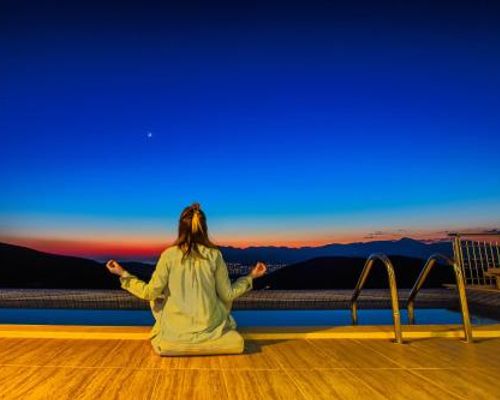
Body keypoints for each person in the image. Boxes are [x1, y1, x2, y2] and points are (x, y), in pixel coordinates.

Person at [105, 202, 267, 356]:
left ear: (181, 228)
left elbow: (149, 293)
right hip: (209, 326)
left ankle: (178, 335)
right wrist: (251, 276)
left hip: (176, 330)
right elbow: (228, 295)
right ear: (204, 228)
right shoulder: (214, 255)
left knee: (157, 298)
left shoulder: (169, 255)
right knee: (221, 297)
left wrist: (123, 274)